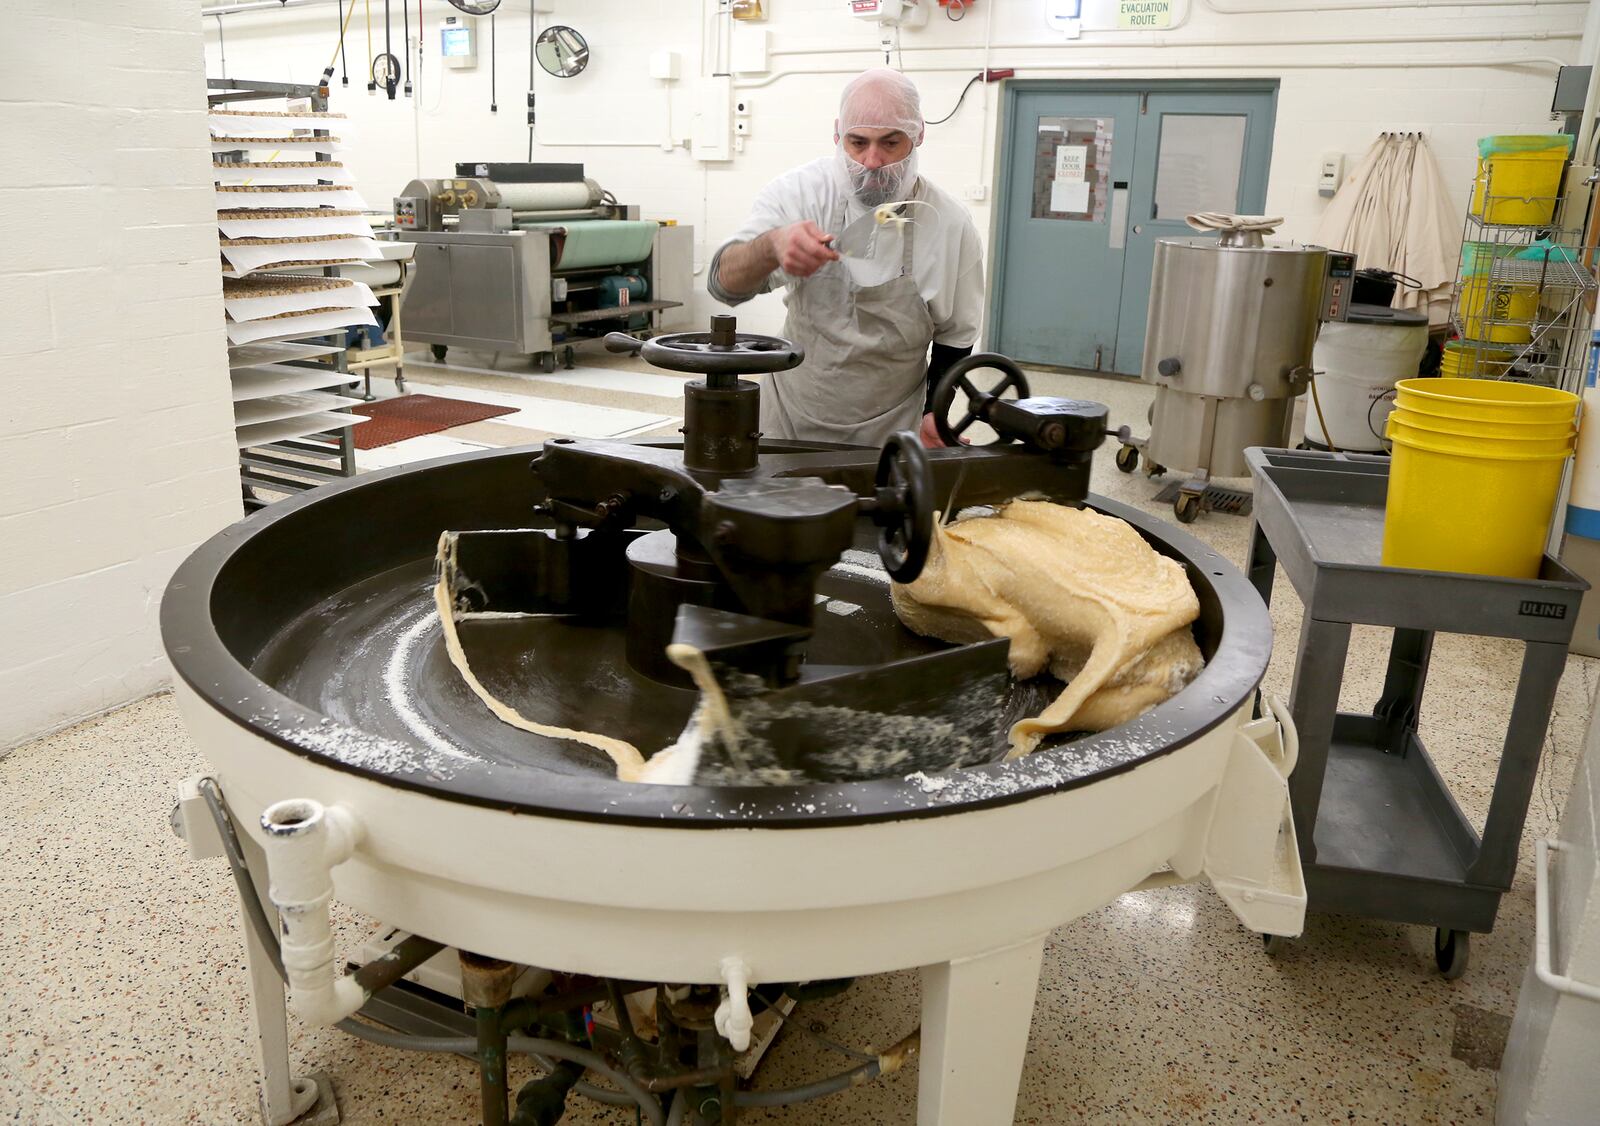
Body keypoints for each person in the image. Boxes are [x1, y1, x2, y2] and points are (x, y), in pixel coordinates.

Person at [708, 68, 984, 449]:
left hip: (892, 430)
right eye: (858, 142)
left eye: (890, 143)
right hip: (790, 420)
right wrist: (770, 246)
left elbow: (957, 335)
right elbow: (724, 284)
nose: (872, 161)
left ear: (918, 135)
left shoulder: (949, 224)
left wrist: (935, 412)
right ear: (837, 134)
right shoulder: (801, 194)